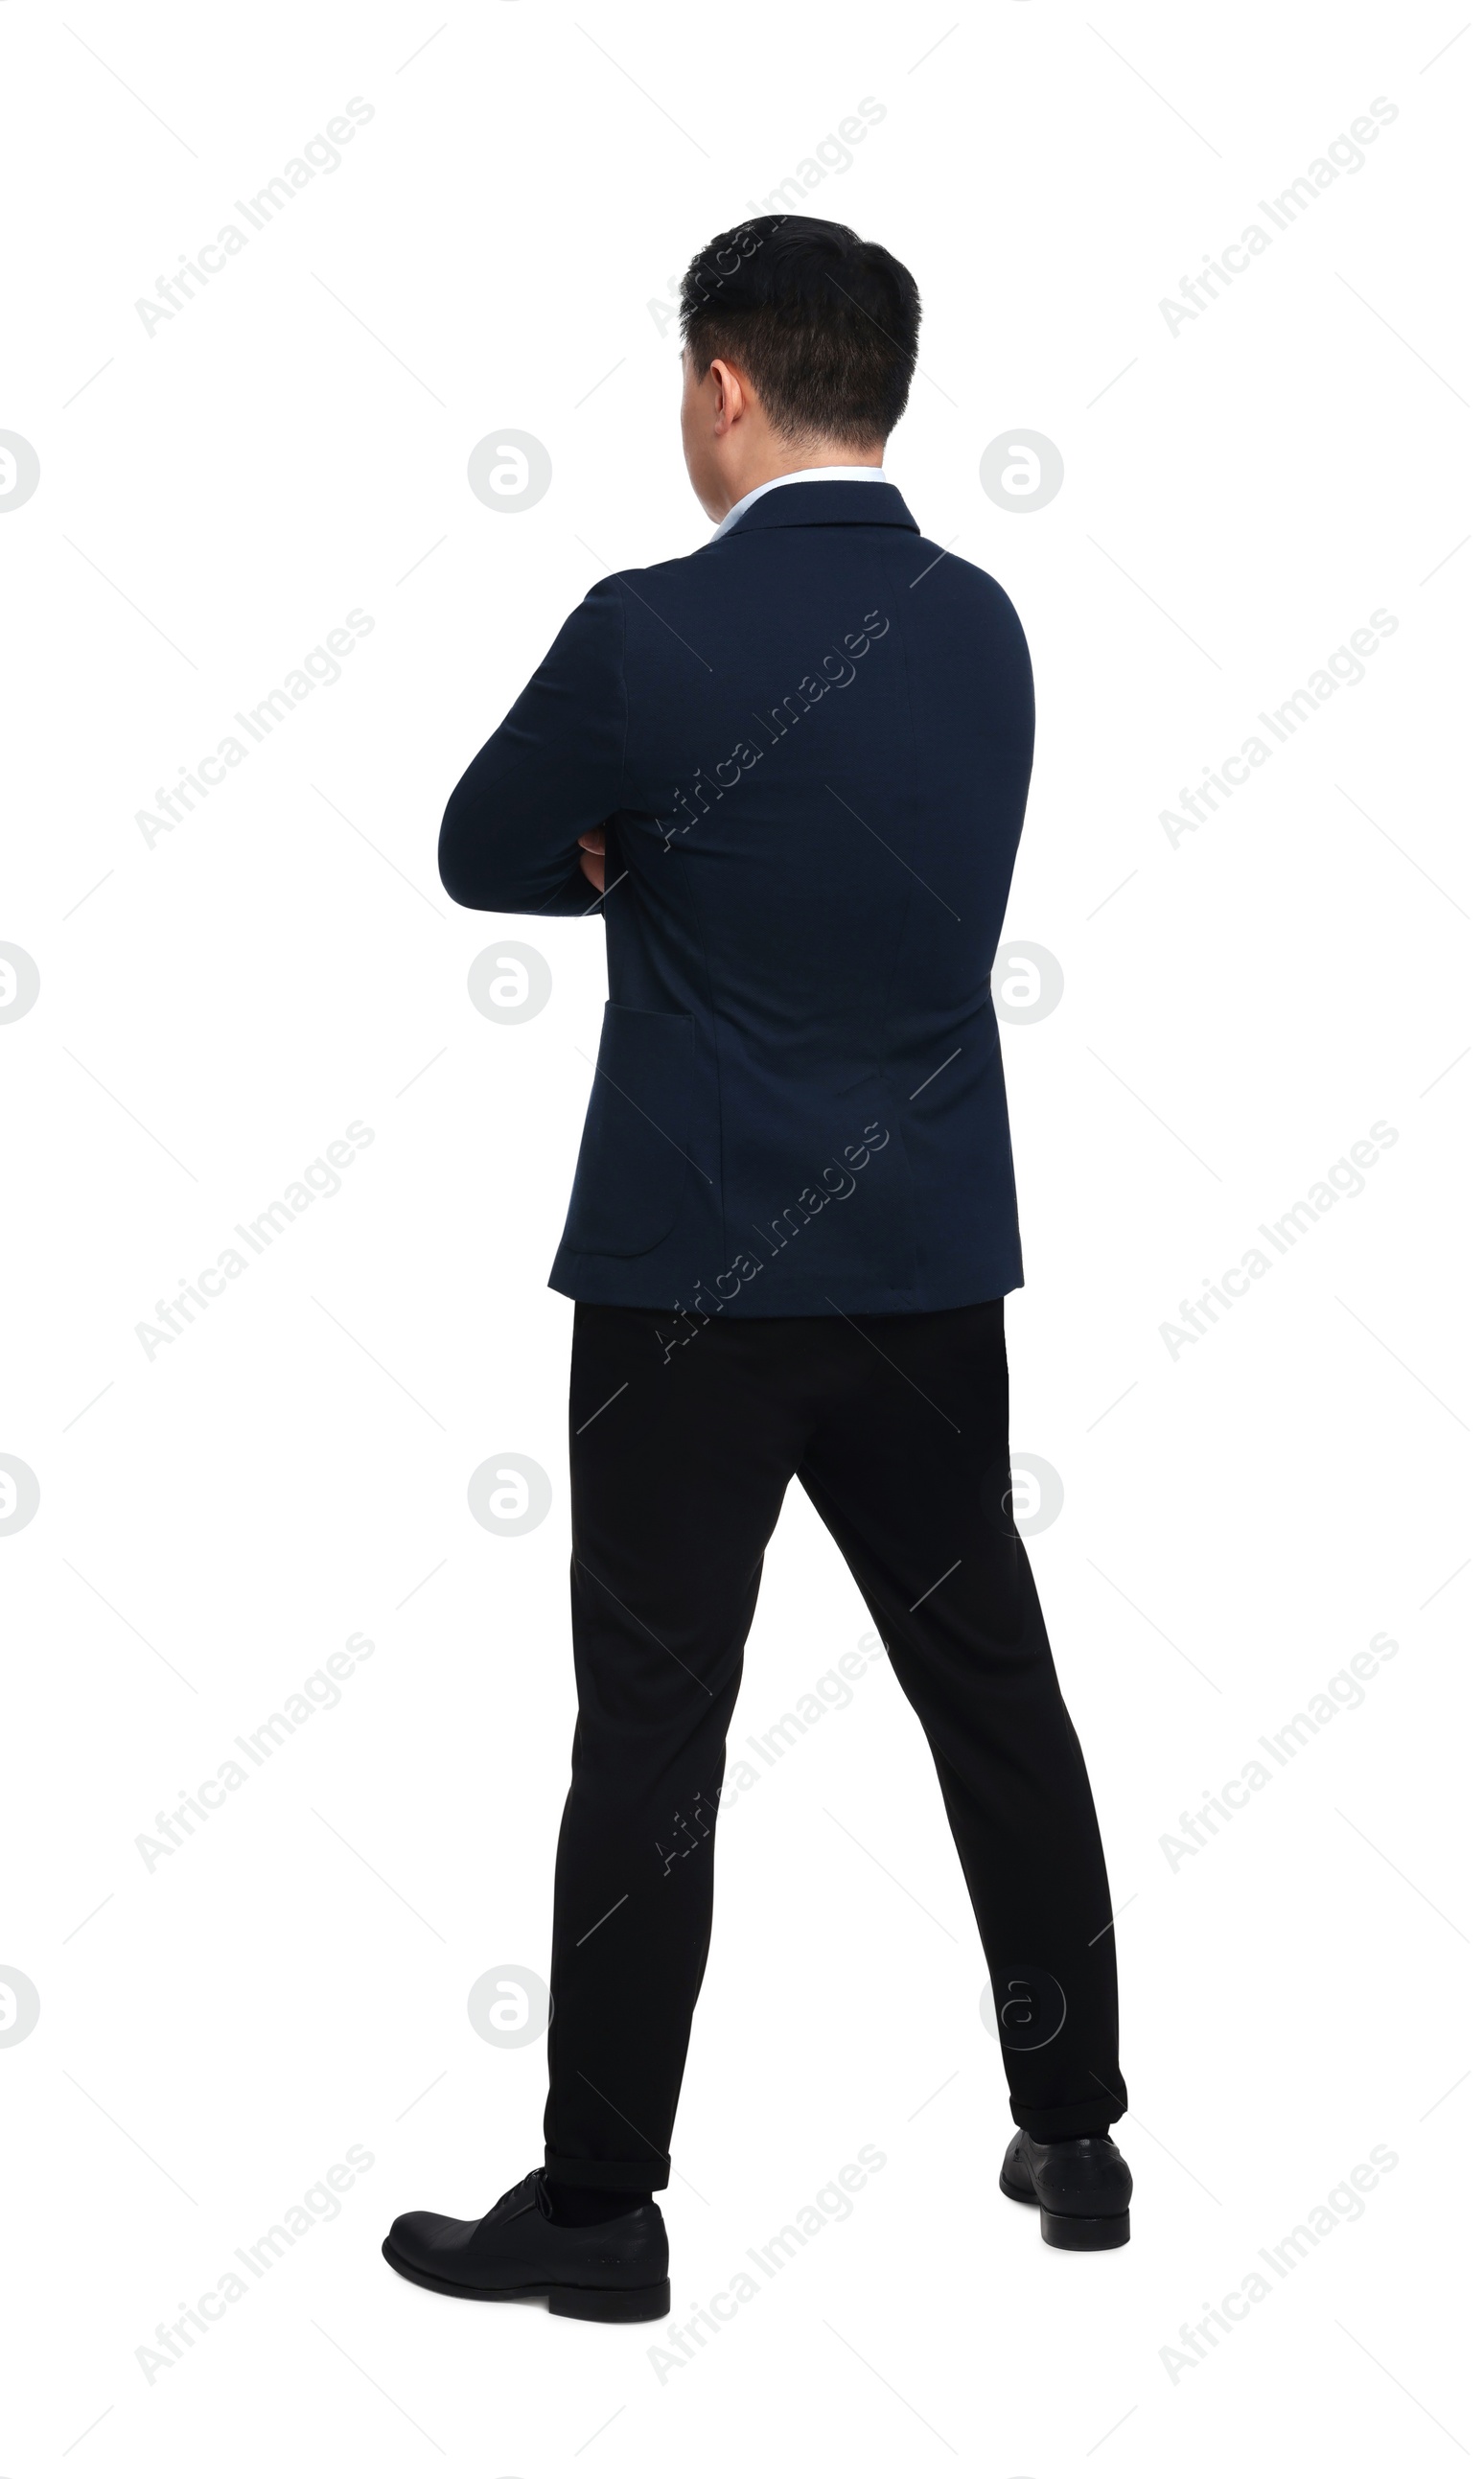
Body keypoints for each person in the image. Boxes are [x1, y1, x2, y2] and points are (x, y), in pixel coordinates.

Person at [383, 216, 1131, 2323]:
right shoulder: (980, 626)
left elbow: (475, 851)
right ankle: (1075, 2139)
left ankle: (602, 2213)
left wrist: (614, 853)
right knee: (991, 1691)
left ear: (720, 384)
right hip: (917, 1273)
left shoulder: (643, 632)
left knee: (649, 1735)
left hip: (685, 1279)